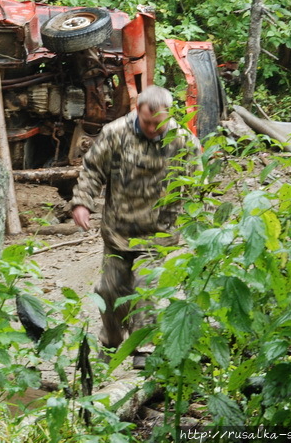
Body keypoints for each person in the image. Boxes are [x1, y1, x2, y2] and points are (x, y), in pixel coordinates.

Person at [70, 85, 200, 365]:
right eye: (147, 122)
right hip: (118, 230)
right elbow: (92, 170)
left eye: (158, 123)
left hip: (158, 232)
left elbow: (195, 186)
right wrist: (82, 202)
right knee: (109, 289)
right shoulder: (116, 133)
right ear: (136, 112)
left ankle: (143, 348)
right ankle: (112, 340)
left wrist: (196, 218)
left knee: (145, 286)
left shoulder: (183, 141)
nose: (153, 128)